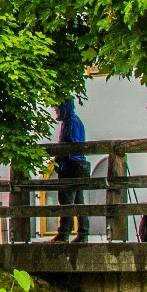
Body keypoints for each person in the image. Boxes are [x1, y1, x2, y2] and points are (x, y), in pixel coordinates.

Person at [51, 98, 92, 243]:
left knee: (67, 200)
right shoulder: (70, 122)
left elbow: (73, 147)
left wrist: (62, 156)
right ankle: (82, 234)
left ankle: (64, 234)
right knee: (78, 201)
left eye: (57, 108)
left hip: (70, 168)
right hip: (73, 166)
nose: (55, 110)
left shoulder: (71, 123)